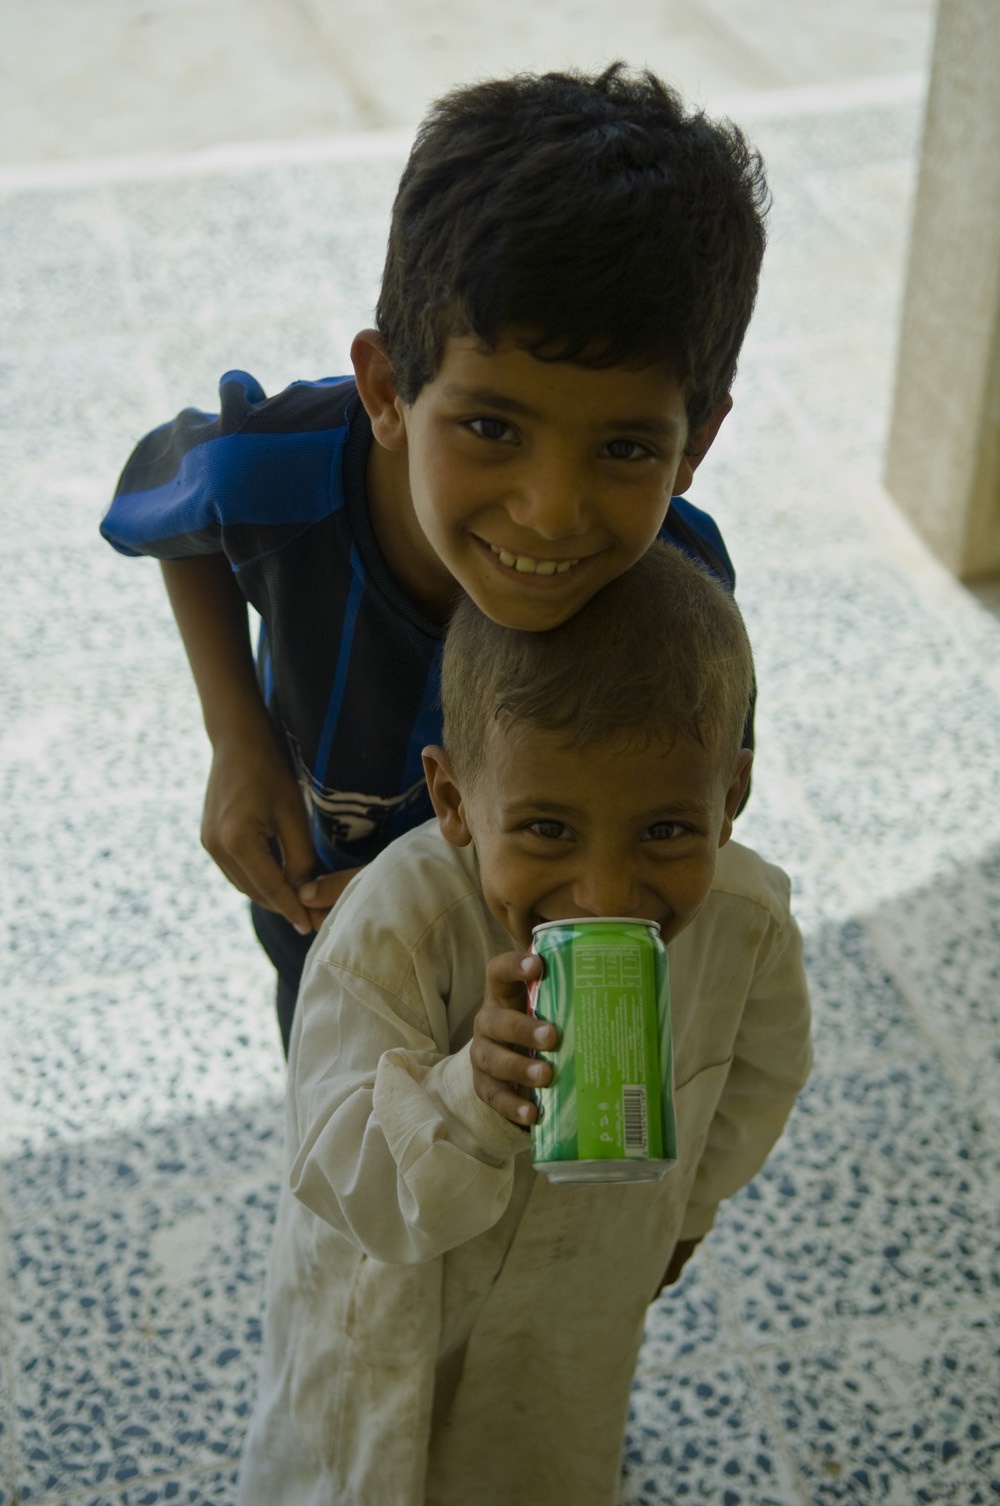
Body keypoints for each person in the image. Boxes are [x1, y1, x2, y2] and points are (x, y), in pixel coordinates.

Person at [99, 63, 770, 1052]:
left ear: (695, 445)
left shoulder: (680, 596)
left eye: (624, 448)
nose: (549, 514)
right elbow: (168, 509)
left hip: (544, 975)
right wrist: (235, 733)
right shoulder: (268, 473)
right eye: (491, 427)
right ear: (386, 391)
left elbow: (681, 821)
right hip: (329, 943)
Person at [236, 541, 812, 1506]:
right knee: (353, 1474)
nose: (604, 890)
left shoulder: (746, 921)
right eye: (547, 828)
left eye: (667, 830)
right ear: (456, 799)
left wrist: (694, 1212)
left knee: (535, 1460)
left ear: (731, 799)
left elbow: (762, 1072)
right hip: (388, 1308)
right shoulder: (400, 925)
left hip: (575, 1291)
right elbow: (335, 1161)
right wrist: (467, 1094)